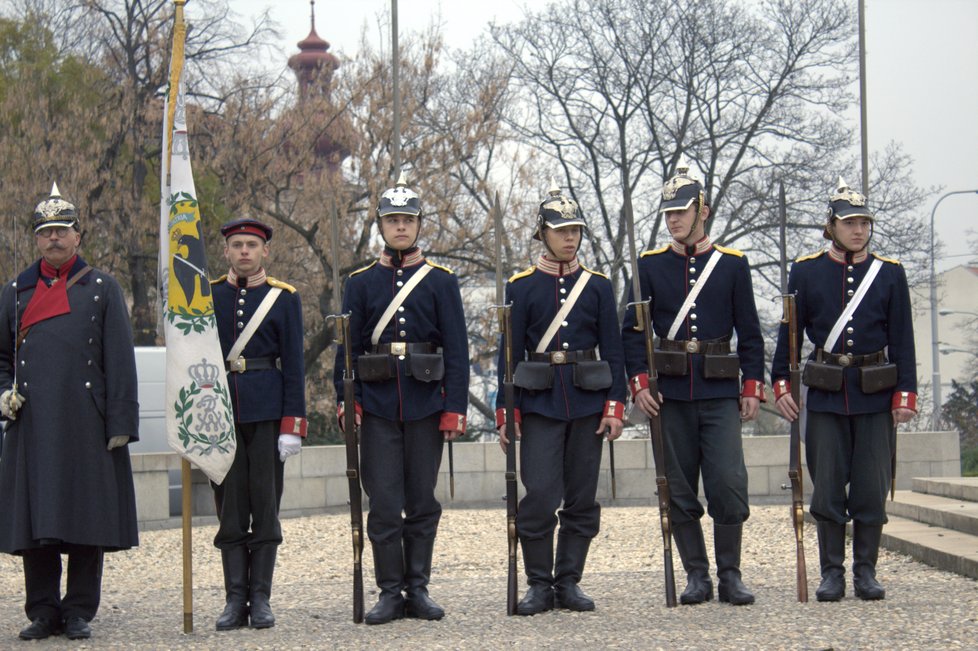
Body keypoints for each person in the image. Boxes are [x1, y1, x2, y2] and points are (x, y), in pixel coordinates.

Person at [621, 159, 765, 606]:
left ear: (702, 210)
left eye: (682, 211)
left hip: (720, 390)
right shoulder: (648, 265)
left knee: (727, 482)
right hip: (670, 394)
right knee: (679, 488)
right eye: (668, 213)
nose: (674, 219)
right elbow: (631, 332)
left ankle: (731, 575)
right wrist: (640, 383)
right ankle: (696, 575)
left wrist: (752, 386)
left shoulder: (731, 266)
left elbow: (752, 333)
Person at [0, 184, 140, 641]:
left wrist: (121, 422)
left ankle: (79, 609)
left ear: (78, 235)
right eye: (45, 232)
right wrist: (4, 394)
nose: (54, 238)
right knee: (36, 522)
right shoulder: (15, 290)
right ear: (36, 239)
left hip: (86, 422)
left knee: (85, 518)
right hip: (33, 421)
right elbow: (2, 359)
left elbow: (119, 359)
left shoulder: (102, 287)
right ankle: (42, 611)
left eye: (62, 230)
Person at [333, 174, 469, 625]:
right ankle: (390, 591)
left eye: (407, 220)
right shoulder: (361, 282)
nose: (401, 228)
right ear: (381, 226)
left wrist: (455, 407)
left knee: (423, 501)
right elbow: (347, 348)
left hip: (427, 402)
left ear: (418, 225)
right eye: (393, 221)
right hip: (375, 404)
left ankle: (418, 588)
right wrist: (344, 398)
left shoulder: (440, 282)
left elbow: (458, 348)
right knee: (385, 503)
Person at [772, 178, 916, 602]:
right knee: (829, 486)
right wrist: (782, 383)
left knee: (871, 487)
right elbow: (790, 335)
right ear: (830, 226)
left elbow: (902, 338)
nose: (858, 230)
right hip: (826, 392)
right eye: (849, 223)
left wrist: (904, 393)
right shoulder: (807, 270)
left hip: (874, 392)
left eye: (864, 223)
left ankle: (865, 572)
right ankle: (831, 572)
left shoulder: (889, 273)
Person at [496, 179, 626, 616]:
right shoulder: (521, 286)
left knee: (582, 497)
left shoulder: (598, 286)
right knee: (539, 494)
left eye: (575, 230)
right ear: (542, 233)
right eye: (561, 230)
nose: (570, 238)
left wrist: (614, 406)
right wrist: (506, 410)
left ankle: (569, 581)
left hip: (588, 402)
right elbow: (508, 355)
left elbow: (614, 350)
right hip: (539, 403)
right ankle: (538, 583)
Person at [209, 217, 307, 630]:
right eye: (237, 245)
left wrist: (292, 423)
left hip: (267, 414)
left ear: (265, 251)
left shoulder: (283, 298)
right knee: (230, 511)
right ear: (227, 251)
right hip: (220, 415)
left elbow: (295, 365)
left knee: (265, 508)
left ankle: (261, 598)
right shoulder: (207, 296)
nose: (244, 251)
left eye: (251, 245)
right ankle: (235, 599)